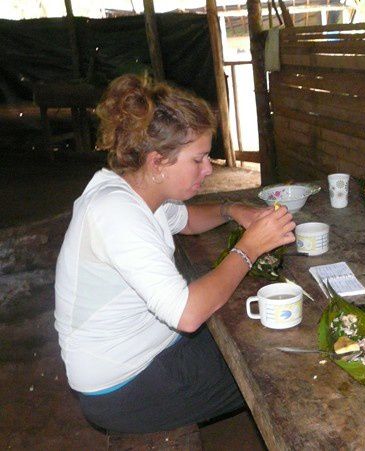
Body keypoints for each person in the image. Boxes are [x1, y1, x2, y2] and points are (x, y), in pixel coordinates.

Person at [54, 74, 296, 433]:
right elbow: (188, 314)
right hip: (125, 387)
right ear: (157, 162)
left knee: (255, 331)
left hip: (149, 351)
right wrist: (250, 247)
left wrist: (233, 210)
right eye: (198, 159)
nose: (209, 169)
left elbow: (187, 220)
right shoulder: (117, 214)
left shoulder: (134, 190)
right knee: (275, 363)